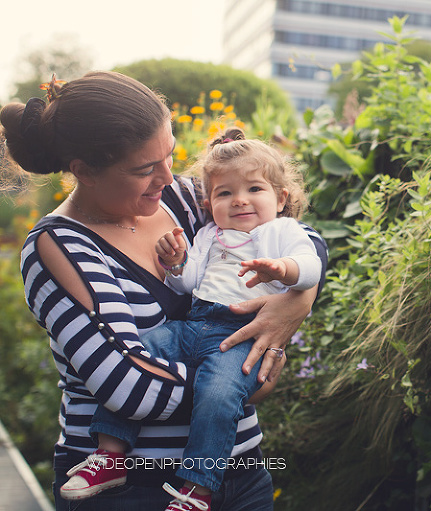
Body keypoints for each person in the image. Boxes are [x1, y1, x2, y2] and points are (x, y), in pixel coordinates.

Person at [1, 71, 327, 511]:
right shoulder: (58, 247)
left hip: (241, 471)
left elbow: (295, 235)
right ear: (84, 171)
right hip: (133, 490)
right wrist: (242, 383)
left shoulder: (183, 197)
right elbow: (127, 383)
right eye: (144, 169)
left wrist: (295, 302)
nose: (168, 176)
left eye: (169, 155)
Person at [61, 128, 322, 510]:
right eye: (225, 193)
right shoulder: (210, 234)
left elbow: (311, 266)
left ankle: (197, 487)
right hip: (195, 325)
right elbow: (188, 284)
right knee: (144, 348)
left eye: (254, 190)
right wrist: (177, 262)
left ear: (281, 198)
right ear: (207, 201)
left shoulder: (283, 231)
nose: (239, 201)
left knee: (218, 393)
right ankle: (111, 454)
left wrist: (283, 271)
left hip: (237, 335)